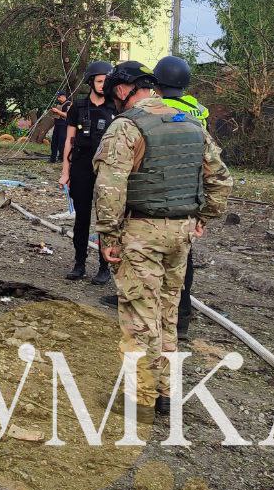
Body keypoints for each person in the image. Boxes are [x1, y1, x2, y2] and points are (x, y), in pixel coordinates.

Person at [92, 60, 232, 415]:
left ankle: (140, 399)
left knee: (140, 316)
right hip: (181, 233)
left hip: (141, 233)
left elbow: (110, 187)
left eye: (114, 96)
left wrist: (108, 235)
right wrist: (203, 217)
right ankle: (166, 393)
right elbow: (220, 178)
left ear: (123, 90)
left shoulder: (127, 126)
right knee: (168, 314)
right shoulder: (190, 122)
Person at [153, 55, 209, 337]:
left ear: (157, 83)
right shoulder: (199, 110)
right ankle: (182, 319)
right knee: (184, 258)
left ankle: (154, 320)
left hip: (161, 188)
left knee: (151, 259)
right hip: (191, 190)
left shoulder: (156, 108)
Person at [58, 60, 115, 284]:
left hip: (108, 169)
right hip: (82, 166)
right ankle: (79, 263)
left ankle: (104, 267)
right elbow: (68, 142)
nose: (103, 85)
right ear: (91, 82)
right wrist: (66, 171)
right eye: (99, 81)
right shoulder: (78, 108)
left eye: (106, 81)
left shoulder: (117, 108)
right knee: (82, 218)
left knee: (106, 219)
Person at [48, 91, 70, 163]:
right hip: (57, 125)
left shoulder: (68, 104)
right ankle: (53, 158)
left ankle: (62, 158)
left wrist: (57, 111)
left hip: (64, 126)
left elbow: (68, 115)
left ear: (63, 96)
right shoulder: (58, 104)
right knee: (54, 142)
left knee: (62, 143)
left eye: (59, 97)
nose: (58, 98)